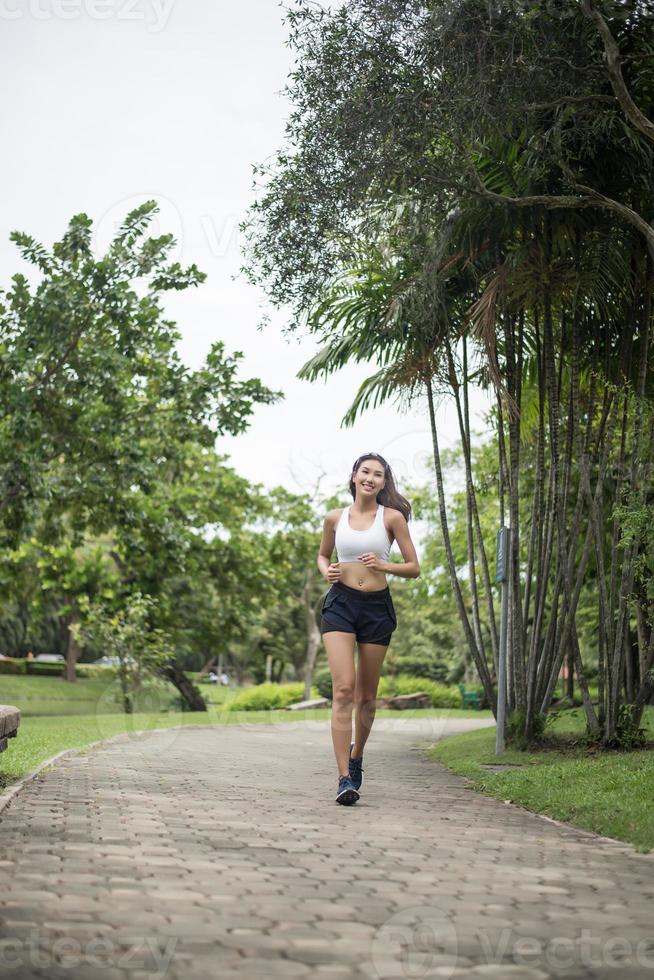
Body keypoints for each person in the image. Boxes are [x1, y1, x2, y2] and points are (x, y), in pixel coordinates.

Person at [316, 452, 420, 805]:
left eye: (378, 474)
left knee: (366, 698)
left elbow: (414, 566)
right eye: (365, 472)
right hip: (340, 606)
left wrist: (384, 564)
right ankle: (344, 777)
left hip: (376, 610)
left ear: (383, 482)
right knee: (343, 690)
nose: (370, 478)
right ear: (355, 476)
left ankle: (357, 755)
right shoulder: (334, 518)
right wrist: (325, 570)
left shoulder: (391, 518)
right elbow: (322, 555)